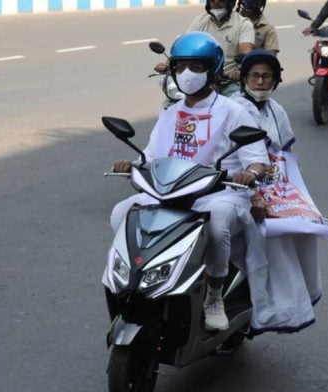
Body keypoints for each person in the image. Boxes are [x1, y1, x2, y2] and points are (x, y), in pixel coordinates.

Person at [109, 32, 269, 331]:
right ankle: (132, 281)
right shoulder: (171, 113)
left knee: (217, 221)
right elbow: (150, 156)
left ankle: (214, 296)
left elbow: (256, 158)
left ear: (212, 70)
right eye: (180, 67)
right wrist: (131, 165)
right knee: (122, 213)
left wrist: (250, 174)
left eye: (196, 67)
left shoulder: (233, 111)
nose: (187, 74)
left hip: (218, 192)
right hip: (170, 191)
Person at [230, 49, 328, 332]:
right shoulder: (232, 108)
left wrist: (293, 197)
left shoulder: (277, 111)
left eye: (266, 76)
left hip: (272, 184)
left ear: (275, 81)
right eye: (254, 76)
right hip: (237, 182)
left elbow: (284, 156)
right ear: (245, 78)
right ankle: (265, 307)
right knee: (267, 235)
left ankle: (287, 303)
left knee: (305, 228)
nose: (260, 81)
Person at [188, 0, 255, 95]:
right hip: (201, 79)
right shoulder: (199, 21)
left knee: (236, 100)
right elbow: (187, 43)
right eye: (212, 0)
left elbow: (246, 52)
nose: (216, 2)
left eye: (221, 0)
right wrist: (170, 61)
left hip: (229, 82)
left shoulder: (243, 24)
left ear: (231, 2)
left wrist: (239, 71)